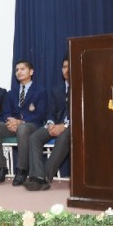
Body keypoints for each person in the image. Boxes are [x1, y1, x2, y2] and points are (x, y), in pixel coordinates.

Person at [0, 59, 47, 186]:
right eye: (17, 70)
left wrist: (21, 122)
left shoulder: (40, 91)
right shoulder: (11, 93)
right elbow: (6, 112)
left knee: (22, 128)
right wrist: (11, 121)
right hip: (13, 125)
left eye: (22, 69)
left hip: (32, 125)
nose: (19, 72)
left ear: (31, 72)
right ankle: (2, 166)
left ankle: (22, 169)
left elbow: (41, 114)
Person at [24, 57, 71, 191]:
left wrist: (65, 126)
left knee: (65, 136)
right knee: (34, 137)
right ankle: (37, 176)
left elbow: (83, 113)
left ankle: (44, 177)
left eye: (69, 66)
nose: (66, 70)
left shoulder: (84, 88)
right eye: (64, 67)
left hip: (74, 127)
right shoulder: (57, 89)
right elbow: (51, 111)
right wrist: (50, 124)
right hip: (55, 125)